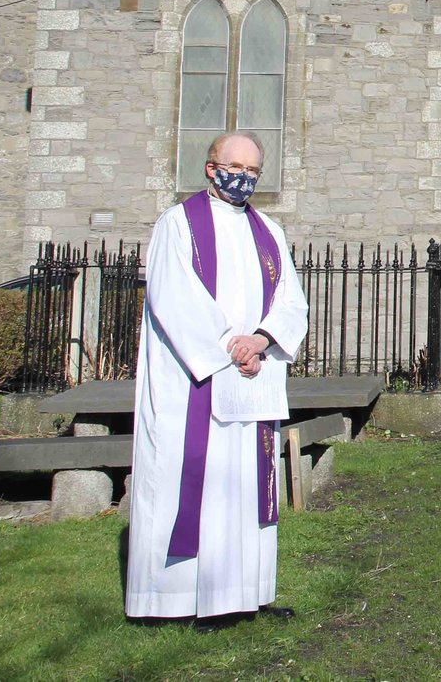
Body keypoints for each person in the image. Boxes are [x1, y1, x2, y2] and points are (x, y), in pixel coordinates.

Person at [126, 131, 309, 628]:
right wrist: (232, 345)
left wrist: (262, 341)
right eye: (234, 166)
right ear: (210, 167)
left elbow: (292, 301)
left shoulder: (270, 231)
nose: (242, 177)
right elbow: (174, 297)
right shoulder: (178, 225)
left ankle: (246, 593)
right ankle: (182, 600)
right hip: (198, 380)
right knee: (198, 483)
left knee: (246, 486)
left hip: (253, 379)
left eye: (252, 171)